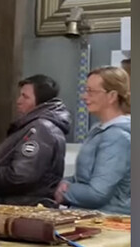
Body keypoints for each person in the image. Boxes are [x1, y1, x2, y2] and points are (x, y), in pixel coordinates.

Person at [0, 74, 70, 207]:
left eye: (25, 97)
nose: (18, 101)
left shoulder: (41, 129)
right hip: (16, 204)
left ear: (40, 101)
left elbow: (21, 176)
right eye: (20, 95)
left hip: (24, 207)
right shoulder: (34, 125)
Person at [55, 66, 131, 215]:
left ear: (112, 96)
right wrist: (66, 182)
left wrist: (64, 191)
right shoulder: (100, 129)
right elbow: (84, 177)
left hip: (109, 221)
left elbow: (98, 193)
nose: (84, 96)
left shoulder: (117, 137)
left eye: (91, 91)